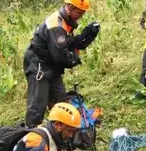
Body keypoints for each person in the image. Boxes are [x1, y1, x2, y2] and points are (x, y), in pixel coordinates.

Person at [23, 0, 100, 128]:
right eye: (79, 13)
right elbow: (61, 56)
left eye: (83, 13)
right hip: (38, 64)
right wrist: (75, 57)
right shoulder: (56, 25)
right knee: (37, 106)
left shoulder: (66, 22)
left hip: (52, 65)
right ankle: (31, 138)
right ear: (70, 8)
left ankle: (60, 135)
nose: (81, 16)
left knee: (60, 101)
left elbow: (65, 44)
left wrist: (83, 38)